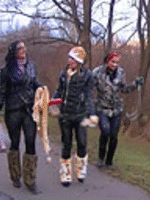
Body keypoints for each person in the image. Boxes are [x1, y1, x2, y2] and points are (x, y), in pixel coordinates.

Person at [0, 40, 43, 194]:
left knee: (31, 142)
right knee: (15, 143)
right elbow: (1, 93)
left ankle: (30, 179)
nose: (23, 50)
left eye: (24, 47)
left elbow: (35, 83)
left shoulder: (32, 65)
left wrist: (41, 90)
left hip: (29, 110)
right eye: (20, 48)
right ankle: (15, 176)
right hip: (13, 111)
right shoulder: (6, 70)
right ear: (13, 51)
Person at [52, 46, 98, 187]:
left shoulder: (87, 76)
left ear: (79, 62)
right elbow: (59, 91)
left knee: (82, 143)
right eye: (69, 58)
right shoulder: (63, 74)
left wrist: (92, 113)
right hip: (65, 115)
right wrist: (53, 104)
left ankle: (80, 168)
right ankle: (65, 173)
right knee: (66, 144)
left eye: (73, 59)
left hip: (81, 115)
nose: (69, 61)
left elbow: (90, 96)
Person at [92, 51, 144, 169]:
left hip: (116, 109)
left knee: (114, 136)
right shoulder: (97, 72)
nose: (115, 65)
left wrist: (135, 84)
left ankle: (109, 161)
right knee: (105, 131)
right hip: (102, 108)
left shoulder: (121, 73)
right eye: (113, 62)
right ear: (107, 61)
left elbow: (124, 89)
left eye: (117, 62)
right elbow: (90, 86)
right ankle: (101, 158)